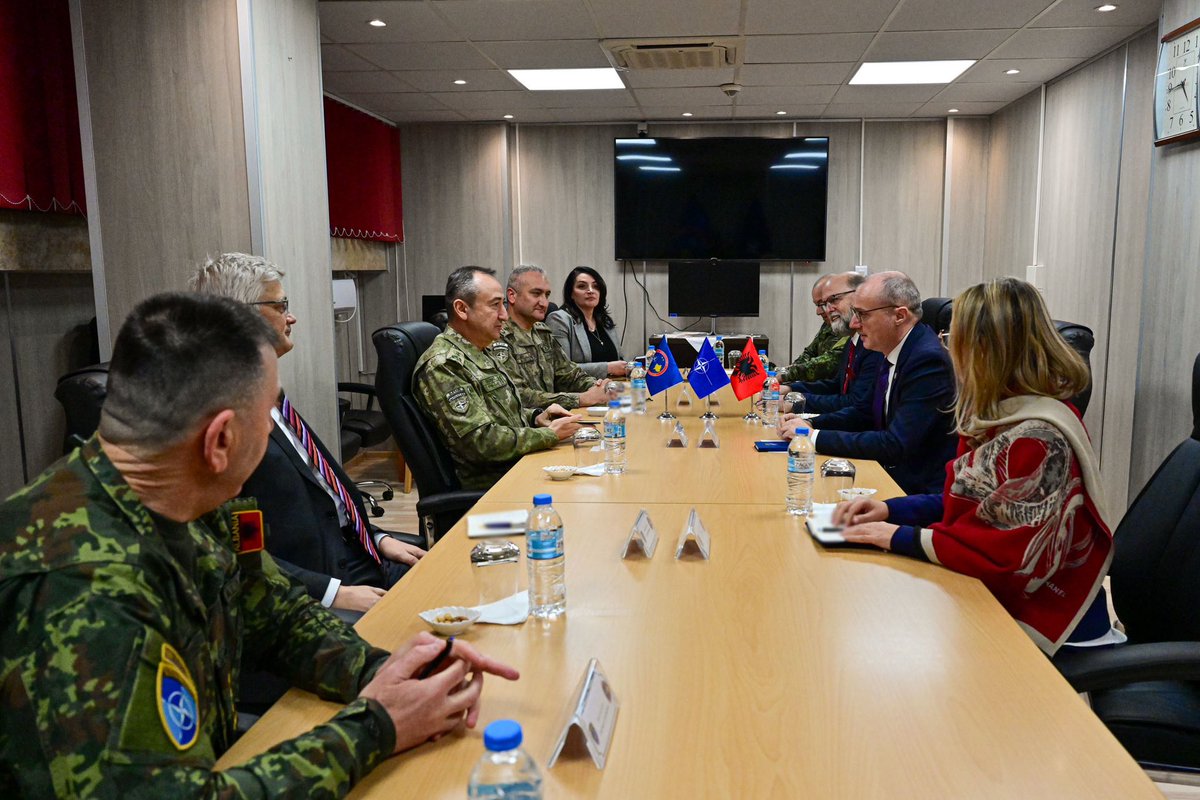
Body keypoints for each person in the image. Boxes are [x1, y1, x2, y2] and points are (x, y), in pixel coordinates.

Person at [0, 293, 519, 796]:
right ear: (220, 440)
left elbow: (272, 609)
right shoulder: (80, 587)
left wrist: (383, 671)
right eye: (269, 413)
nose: (277, 430)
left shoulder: (188, 495)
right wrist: (377, 725)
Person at [834, 277, 1117, 655]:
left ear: (985, 350)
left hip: (1047, 618)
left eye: (952, 339)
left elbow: (1000, 557)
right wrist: (890, 510)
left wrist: (895, 536)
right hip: (990, 592)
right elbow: (967, 504)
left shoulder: (1040, 437)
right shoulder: (998, 415)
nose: (945, 349)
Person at [190, 253, 424, 616]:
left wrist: (377, 538)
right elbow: (233, 551)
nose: (291, 316)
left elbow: (327, 493)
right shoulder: (217, 419)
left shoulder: (264, 390)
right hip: (308, 596)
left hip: (359, 557)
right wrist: (332, 594)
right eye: (281, 305)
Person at [784, 271, 956, 495]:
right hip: (887, 472)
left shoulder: (927, 361)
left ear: (899, 316)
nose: (854, 324)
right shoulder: (894, 349)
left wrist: (814, 437)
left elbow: (895, 444)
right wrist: (810, 426)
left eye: (862, 314)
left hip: (913, 490)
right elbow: (864, 413)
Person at [414, 266, 581, 490]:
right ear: (462, 309)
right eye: (495, 305)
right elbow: (481, 441)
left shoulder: (480, 349)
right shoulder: (445, 364)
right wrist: (547, 435)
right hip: (495, 490)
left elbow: (500, 413)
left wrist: (537, 417)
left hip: (519, 468)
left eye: (503, 304)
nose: (504, 315)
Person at [497, 265, 611, 410]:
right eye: (536, 294)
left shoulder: (542, 332)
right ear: (512, 296)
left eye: (547, 295)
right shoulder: (498, 336)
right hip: (528, 426)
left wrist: (599, 387)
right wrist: (580, 399)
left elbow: (568, 375)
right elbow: (518, 395)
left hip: (555, 419)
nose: (544, 302)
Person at [782, 271, 881, 415]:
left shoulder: (873, 344)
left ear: (860, 294)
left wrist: (797, 403)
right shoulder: (853, 340)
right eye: (824, 304)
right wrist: (792, 389)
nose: (827, 310)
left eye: (834, 300)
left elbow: (854, 404)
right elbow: (837, 385)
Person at [546, 265, 628, 379]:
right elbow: (563, 370)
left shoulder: (605, 321)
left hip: (615, 387)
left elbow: (619, 360)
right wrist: (607, 368)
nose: (590, 290)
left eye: (595, 286)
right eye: (582, 286)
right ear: (571, 294)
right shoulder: (559, 319)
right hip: (581, 392)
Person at [775, 274, 848, 384]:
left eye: (821, 304)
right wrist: (786, 372)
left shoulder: (848, 328)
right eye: (818, 305)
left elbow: (827, 363)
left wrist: (786, 376)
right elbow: (810, 352)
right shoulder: (828, 324)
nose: (818, 311)